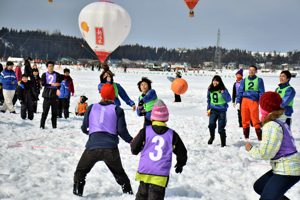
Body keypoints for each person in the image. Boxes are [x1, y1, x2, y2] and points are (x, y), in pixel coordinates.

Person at [73, 84, 133, 197]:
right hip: (111, 149)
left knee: (80, 172)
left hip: (92, 147)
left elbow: (84, 127)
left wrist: (93, 134)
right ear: (114, 96)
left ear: (101, 94)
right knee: (119, 173)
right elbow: (121, 131)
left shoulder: (91, 107)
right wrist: (131, 141)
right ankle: (129, 194)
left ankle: (77, 194)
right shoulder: (117, 110)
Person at [245, 92, 300, 200]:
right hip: (287, 165)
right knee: (259, 187)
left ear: (265, 108)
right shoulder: (279, 121)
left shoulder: (272, 125)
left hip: (288, 169)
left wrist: (250, 149)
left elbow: (265, 153)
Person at [131, 99, 188, 200]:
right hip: (160, 174)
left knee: (142, 195)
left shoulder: (145, 131)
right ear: (166, 119)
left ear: (152, 118)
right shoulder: (171, 135)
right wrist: (180, 164)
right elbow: (182, 152)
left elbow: (134, 147)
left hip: (145, 171)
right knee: (156, 196)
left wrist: (136, 150)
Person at [236, 65, 265, 140]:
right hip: (244, 101)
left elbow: (262, 92)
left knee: (255, 120)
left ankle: (259, 138)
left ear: (256, 71)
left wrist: (261, 103)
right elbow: (240, 91)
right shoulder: (244, 80)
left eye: (253, 70)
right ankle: (246, 137)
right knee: (244, 120)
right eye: (250, 70)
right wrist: (238, 102)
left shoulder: (259, 80)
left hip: (254, 101)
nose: (251, 71)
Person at [207, 75, 231, 147]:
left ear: (220, 82)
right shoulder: (210, 89)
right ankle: (212, 137)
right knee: (211, 124)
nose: (215, 82)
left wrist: (223, 93)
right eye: (214, 81)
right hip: (213, 109)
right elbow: (209, 99)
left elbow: (229, 99)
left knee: (221, 127)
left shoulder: (223, 89)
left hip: (222, 110)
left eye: (217, 81)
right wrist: (208, 109)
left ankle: (223, 143)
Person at [40, 61, 62, 129]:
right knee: (45, 111)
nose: (51, 68)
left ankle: (54, 126)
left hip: (54, 95)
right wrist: (51, 84)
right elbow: (43, 83)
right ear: (47, 67)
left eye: (52, 66)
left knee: (54, 112)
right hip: (46, 95)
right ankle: (42, 125)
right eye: (49, 66)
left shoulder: (57, 74)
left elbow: (59, 83)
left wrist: (58, 88)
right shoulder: (44, 74)